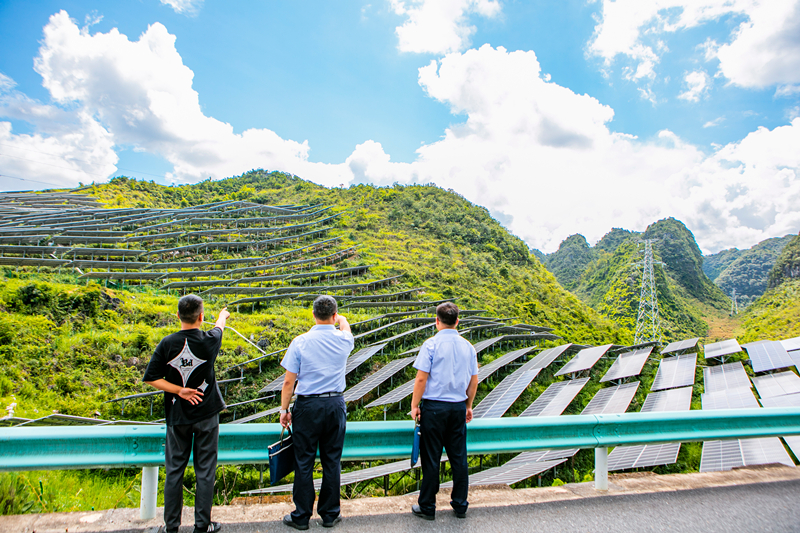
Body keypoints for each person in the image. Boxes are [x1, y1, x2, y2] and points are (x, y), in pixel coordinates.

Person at [143, 294, 230, 533]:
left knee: (174, 472)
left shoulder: (167, 343)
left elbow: (151, 378)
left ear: (178, 316)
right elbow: (219, 328)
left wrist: (179, 391)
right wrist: (222, 315)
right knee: (205, 471)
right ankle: (202, 526)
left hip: (177, 416)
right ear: (201, 317)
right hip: (206, 415)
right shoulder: (209, 340)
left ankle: (171, 527)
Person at [279, 295, 353, 530]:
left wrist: (284, 409)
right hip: (335, 404)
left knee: (304, 461)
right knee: (332, 460)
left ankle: (301, 516)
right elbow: (346, 328)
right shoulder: (343, 340)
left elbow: (289, 383)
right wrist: (341, 319)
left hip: (307, 406)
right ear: (334, 315)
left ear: (313, 314)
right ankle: (330, 514)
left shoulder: (300, 342)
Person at [409, 302, 479, 521]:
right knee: (459, 458)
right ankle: (460, 505)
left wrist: (414, 405)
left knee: (431, 458)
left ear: (436, 321)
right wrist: (468, 405)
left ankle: (428, 507)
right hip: (457, 407)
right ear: (458, 321)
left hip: (434, 408)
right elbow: (474, 380)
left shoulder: (431, 345)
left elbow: (421, 378)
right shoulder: (468, 347)